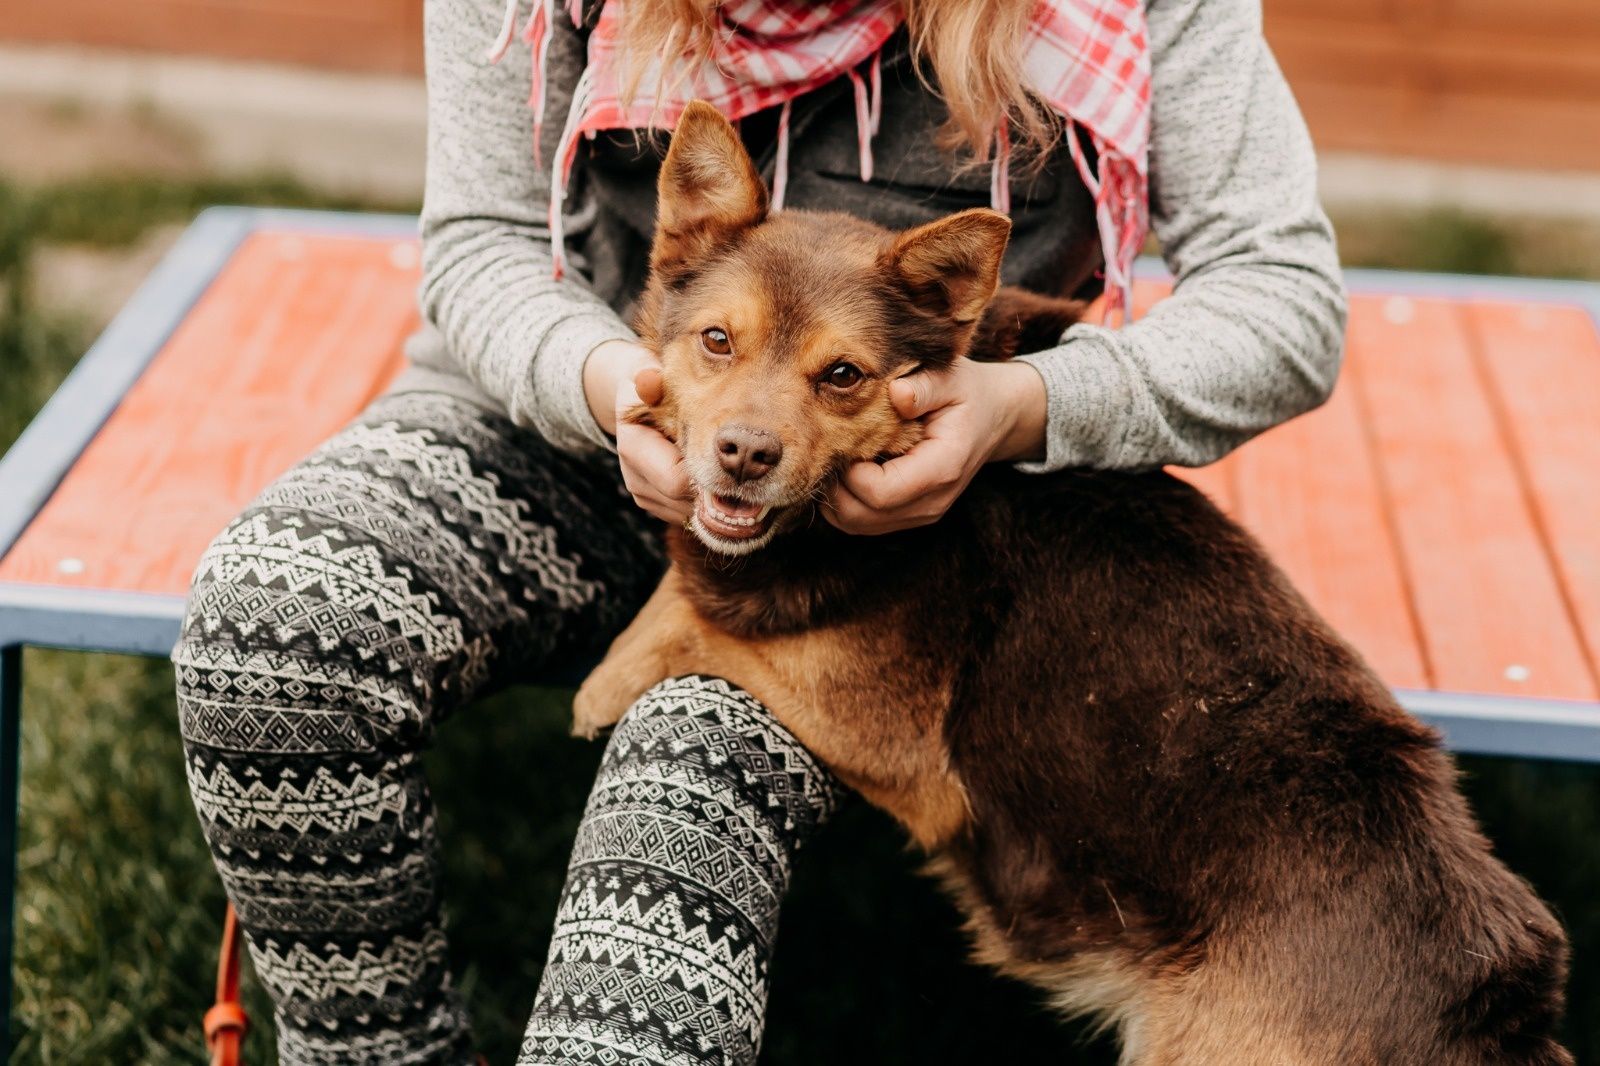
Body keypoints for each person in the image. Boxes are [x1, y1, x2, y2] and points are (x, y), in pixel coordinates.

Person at [174, 0, 1346, 1062]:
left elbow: (1284, 303)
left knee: (685, 788)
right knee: (273, 621)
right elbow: (481, 241)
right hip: (574, 413)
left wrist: (1018, 407)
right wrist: (610, 386)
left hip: (896, 521)